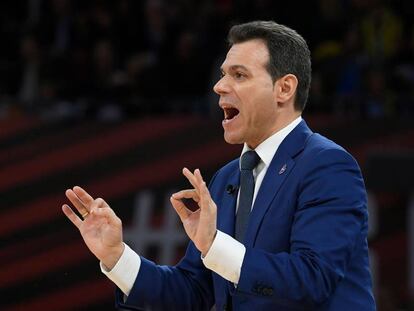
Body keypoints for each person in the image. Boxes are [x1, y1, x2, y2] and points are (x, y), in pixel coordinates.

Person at [62, 21, 376, 310]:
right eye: (223, 74)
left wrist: (215, 244)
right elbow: (192, 292)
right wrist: (117, 256)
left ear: (284, 88)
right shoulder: (228, 178)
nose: (220, 86)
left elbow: (312, 278)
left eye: (239, 75)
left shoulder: (327, 165)